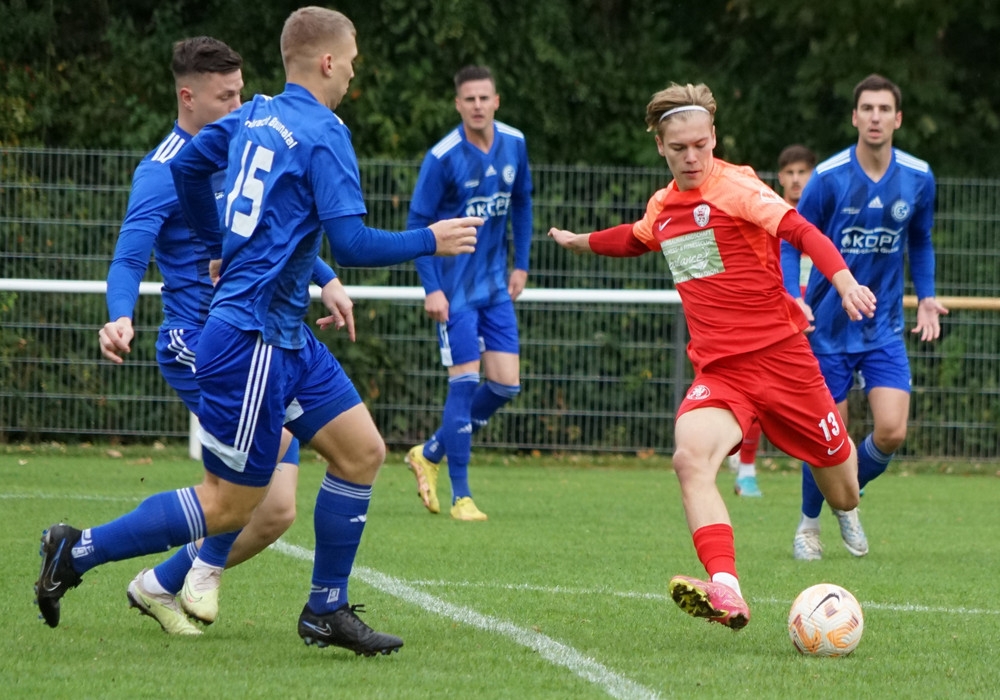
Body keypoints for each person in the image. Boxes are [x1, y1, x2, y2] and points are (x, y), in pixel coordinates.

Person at [36, 6, 481, 656]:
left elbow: (201, 175)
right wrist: (430, 239)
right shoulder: (324, 132)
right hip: (248, 342)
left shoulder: (256, 115)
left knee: (361, 452)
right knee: (230, 505)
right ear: (327, 61)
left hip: (285, 334)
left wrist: (224, 246)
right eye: (351, 60)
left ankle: (326, 609)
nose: (354, 72)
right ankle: (77, 551)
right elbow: (352, 242)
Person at [548, 82, 876, 630]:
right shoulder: (664, 206)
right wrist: (582, 241)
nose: (692, 157)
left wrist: (843, 281)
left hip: (785, 362)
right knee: (689, 459)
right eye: (679, 148)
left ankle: (844, 505)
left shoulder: (738, 187)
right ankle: (727, 588)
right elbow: (637, 237)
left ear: (714, 138)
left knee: (843, 490)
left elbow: (800, 230)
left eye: (701, 144)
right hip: (722, 372)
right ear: (660, 146)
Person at [98, 36, 346, 635]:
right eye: (225, 96)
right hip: (200, 339)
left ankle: (158, 583)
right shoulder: (161, 170)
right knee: (264, 467)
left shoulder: (242, 143)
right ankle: (127, 559)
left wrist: (328, 279)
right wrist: (119, 314)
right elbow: (129, 257)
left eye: (240, 92)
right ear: (188, 97)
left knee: (276, 511)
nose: (239, 105)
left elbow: (271, 231)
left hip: (259, 337)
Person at [782, 74, 947, 561]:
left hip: (883, 327)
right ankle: (809, 526)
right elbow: (790, 240)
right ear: (855, 117)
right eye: (867, 108)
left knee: (892, 430)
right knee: (826, 438)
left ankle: (847, 498)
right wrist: (793, 297)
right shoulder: (828, 177)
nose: (876, 117)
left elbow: (920, 240)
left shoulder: (918, 176)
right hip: (826, 329)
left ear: (898, 119)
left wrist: (928, 296)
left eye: (884, 109)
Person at [404, 65, 532, 522]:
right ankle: (462, 497)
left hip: (494, 286)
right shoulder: (443, 157)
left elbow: (522, 202)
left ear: (496, 101)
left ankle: (429, 452)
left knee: (506, 384)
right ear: (458, 105)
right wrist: (431, 289)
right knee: (463, 383)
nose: (477, 106)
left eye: (484, 98)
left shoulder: (514, 143)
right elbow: (416, 223)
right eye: (469, 99)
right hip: (453, 290)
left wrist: (521, 264)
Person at [727, 144, 817, 498]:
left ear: (813, 175)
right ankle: (746, 471)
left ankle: (836, 470)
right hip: (776, 319)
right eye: (790, 173)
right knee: (759, 395)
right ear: (780, 178)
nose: (796, 180)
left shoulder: (822, 216)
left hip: (818, 318)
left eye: (802, 172)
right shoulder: (768, 214)